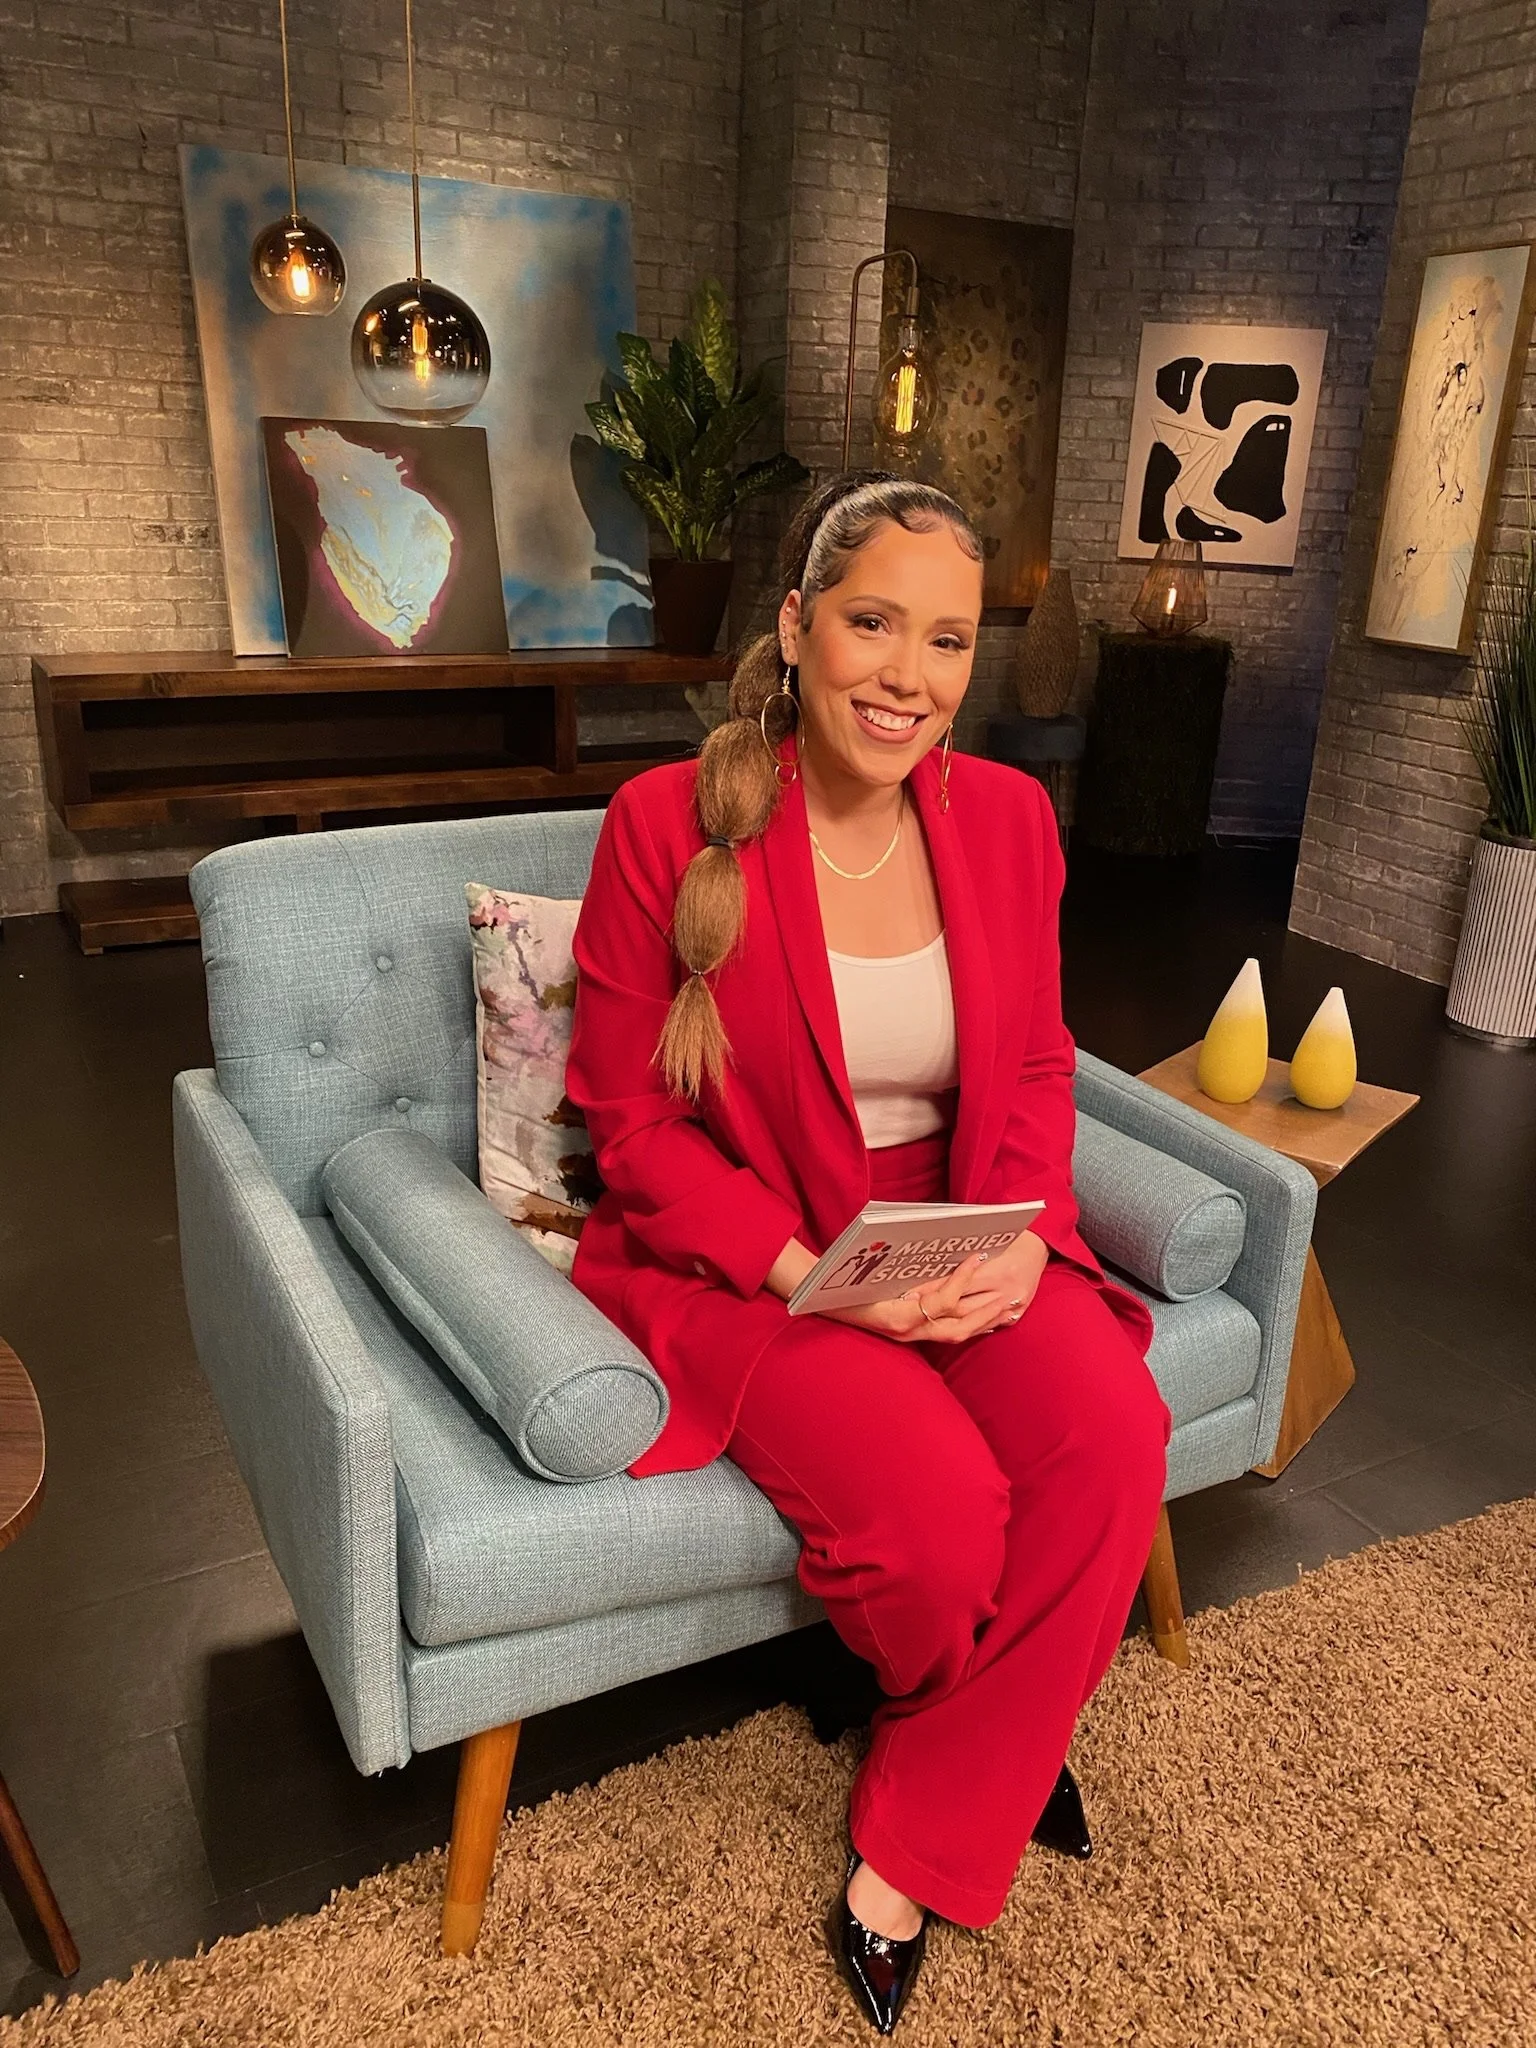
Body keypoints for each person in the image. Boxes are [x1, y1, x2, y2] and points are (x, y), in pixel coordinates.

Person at [565, 471, 1173, 2035]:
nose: (909, 676)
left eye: (949, 640)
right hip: (750, 1248)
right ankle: (994, 1752)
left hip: (953, 1218)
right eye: (873, 624)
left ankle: (926, 1826)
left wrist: (1027, 1238)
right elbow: (631, 1131)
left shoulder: (1010, 819)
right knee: (934, 1531)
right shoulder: (665, 825)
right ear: (797, 626)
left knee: (1113, 1435)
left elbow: (1034, 1065)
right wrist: (806, 1278)